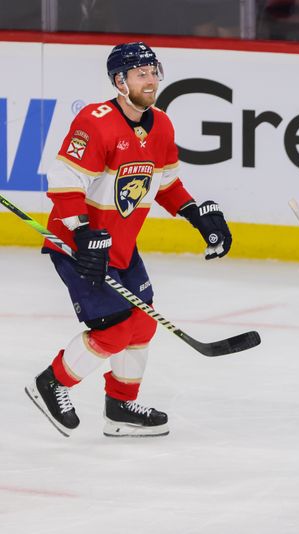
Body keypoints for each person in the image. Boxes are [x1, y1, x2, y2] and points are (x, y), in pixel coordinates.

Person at [24, 42, 233, 438]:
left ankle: (120, 408)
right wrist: (83, 234)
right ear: (120, 81)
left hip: (121, 246)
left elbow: (166, 183)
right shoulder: (96, 121)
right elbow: (66, 181)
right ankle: (51, 383)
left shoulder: (162, 124)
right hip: (78, 246)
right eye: (141, 74)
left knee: (141, 325)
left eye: (154, 71)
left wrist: (196, 216)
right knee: (114, 329)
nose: (151, 80)